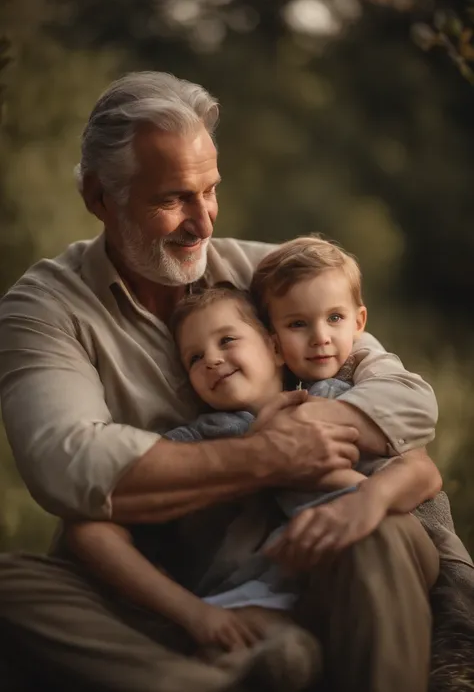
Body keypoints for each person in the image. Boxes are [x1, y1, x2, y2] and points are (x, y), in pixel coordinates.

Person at [0, 71, 441, 692]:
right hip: (156, 585)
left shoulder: (263, 273)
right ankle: (207, 680)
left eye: (210, 191)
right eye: (172, 199)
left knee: (383, 532)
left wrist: (312, 427)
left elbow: (407, 399)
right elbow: (67, 467)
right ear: (100, 197)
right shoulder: (43, 308)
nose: (202, 223)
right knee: (10, 585)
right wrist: (265, 455)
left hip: (307, 568)